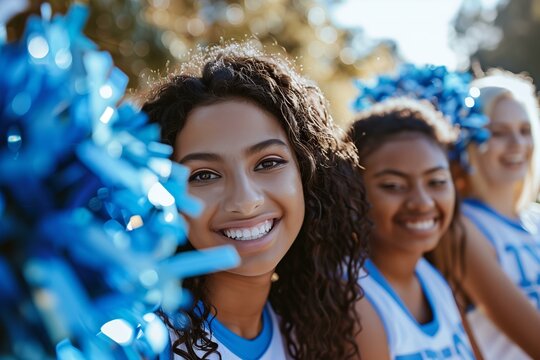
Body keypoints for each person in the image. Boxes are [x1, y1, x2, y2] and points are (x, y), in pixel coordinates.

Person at [141, 43, 370, 359]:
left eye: (267, 163)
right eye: (204, 175)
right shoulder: (142, 344)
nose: (245, 201)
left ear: (307, 173)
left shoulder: (316, 330)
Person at [347, 98, 475, 359]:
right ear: (351, 193)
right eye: (393, 185)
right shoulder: (352, 301)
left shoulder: (434, 280)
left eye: (436, 181)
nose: (422, 202)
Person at [443, 69, 540, 359]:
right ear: (469, 143)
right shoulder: (460, 228)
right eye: (498, 133)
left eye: (524, 131)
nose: (517, 144)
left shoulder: (535, 219)